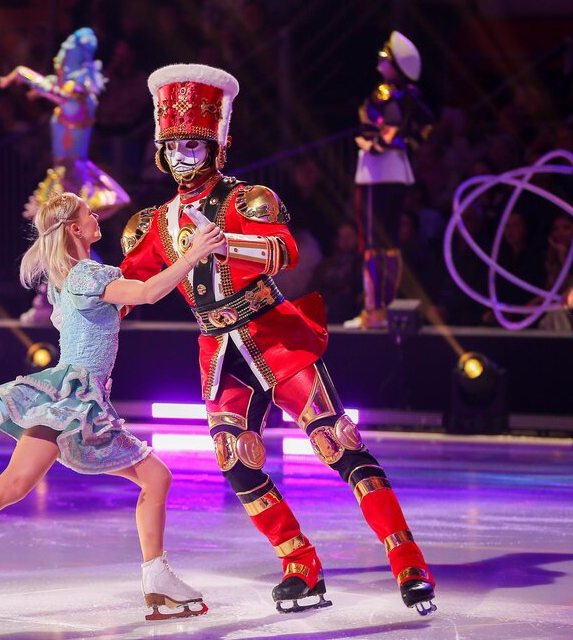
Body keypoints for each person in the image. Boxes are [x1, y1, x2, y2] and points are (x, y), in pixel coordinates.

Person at [119, 63, 436, 615]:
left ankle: (408, 560)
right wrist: (76, 286)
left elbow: (284, 251)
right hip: (219, 351)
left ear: (217, 146)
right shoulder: (152, 224)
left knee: (337, 442)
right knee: (233, 457)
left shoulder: (248, 199)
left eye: (193, 144)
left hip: (273, 335)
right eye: (174, 146)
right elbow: (129, 286)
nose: (183, 156)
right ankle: (300, 564)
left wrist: (226, 245)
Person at [0, 192, 222, 620]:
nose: (96, 215)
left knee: (143, 478)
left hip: (83, 400)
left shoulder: (71, 276)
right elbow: (147, 292)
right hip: (72, 398)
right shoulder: (84, 274)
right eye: (89, 212)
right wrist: (193, 254)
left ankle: (156, 578)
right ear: (74, 228)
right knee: (17, 485)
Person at [0, 27, 130, 324]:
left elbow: (50, 89)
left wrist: (21, 73)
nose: (58, 59)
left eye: (65, 54)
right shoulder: (75, 95)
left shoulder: (78, 97)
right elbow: (49, 87)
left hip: (72, 177)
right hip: (64, 172)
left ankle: (90, 293)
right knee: (64, 241)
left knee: (64, 239)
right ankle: (76, 295)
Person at [346, 31, 434, 330]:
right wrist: (404, 143)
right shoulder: (410, 95)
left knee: (373, 244)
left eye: (385, 58)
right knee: (390, 244)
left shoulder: (385, 93)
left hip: (377, 172)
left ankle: (374, 312)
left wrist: (377, 144)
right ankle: (384, 308)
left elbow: (387, 125)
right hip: (396, 171)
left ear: (395, 65)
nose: (380, 62)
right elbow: (426, 125)